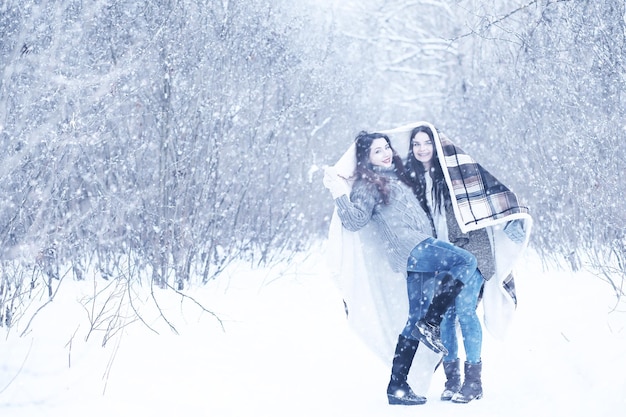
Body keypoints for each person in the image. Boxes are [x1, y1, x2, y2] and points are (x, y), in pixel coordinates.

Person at [322, 131, 478, 406]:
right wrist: (338, 192)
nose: (386, 154)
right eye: (377, 151)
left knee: (413, 319)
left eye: (386, 148)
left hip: (416, 254)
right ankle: (432, 321)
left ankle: (397, 385)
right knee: (467, 260)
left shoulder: (394, 177)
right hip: (413, 248)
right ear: (365, 158)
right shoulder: (368, 184)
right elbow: (355, 221)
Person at [406, 125, 491, 403]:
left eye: (427, 142)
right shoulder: (415, 180)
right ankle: (452, 381)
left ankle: (474, 382)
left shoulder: (455, 173)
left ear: (437, 144)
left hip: (472, 251)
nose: (422, 149)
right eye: (416, 144)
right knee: (444, 317)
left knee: (465, 310)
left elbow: (488, 196)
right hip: (442, 257)